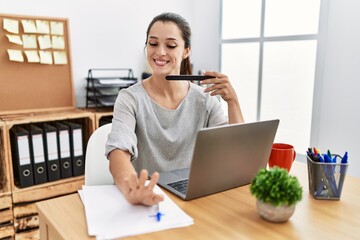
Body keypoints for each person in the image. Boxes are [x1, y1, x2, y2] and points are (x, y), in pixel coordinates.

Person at [106, 12, 244, 206]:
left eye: (171, 45)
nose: (160, 52)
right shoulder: (130, 98)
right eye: (153, 44)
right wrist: (132, 189)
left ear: (186, 51)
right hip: (147, 197)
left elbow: (234, 154)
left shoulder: (205, 99)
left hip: (193, 198)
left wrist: (233, 102)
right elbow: (118, 151)